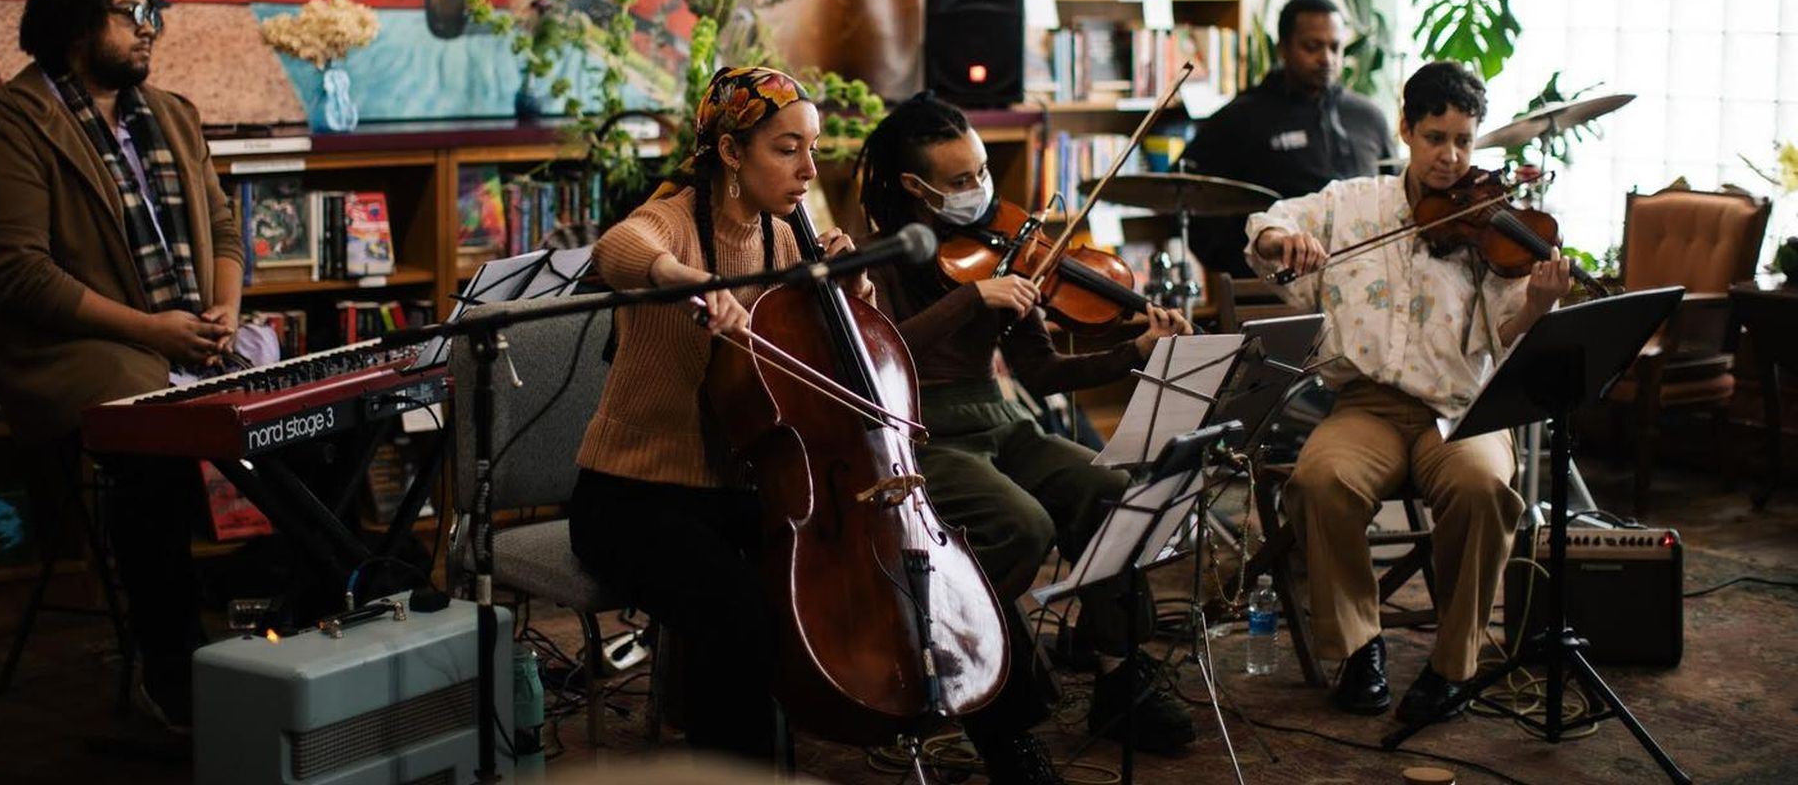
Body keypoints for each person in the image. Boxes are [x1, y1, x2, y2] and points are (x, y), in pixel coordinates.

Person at [853, 93, 1197, 784]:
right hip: (921, 436)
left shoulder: (998, 251)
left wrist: (1136, 349)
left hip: (1000, 422)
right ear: (913, 188)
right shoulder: (874, 261)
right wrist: (969, 301)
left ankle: (1117, 675)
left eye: (981, 171)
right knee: (1020, 524)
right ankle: (977, 685)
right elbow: (873, 357)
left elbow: (1041, 370)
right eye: (958, 181)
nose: (979, 191)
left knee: (1107, 490)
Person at [0, 0, 256, 731]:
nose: (148, 27)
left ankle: (298, 629)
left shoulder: (173, 114)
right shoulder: (11, 127)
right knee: (147, 428)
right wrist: (155, 331)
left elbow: (223, 228)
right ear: (75, 27)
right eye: (130, 14)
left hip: (184, 335)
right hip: (72, 348)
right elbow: (19, 276)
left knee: (315, 418)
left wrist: (222, 311)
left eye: (152, 12)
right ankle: (173, 669)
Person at [1245, 61, 1568, 723]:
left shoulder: (1491, 221)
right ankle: (1360, 647)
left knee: (1484, 490)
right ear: (1405, 131)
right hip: (1368, 405)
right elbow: (1267, 225)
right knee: (1320, 480)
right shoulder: (1350, 203)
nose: (1451, 158)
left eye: (1464, 140)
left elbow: (1506, 329)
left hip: (1463, 409)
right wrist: (1285, 242)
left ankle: (1454, 667)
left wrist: (1537, 305)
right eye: (1435, 138)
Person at [566, 66, 871, 763]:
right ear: (731, 152)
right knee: (734, 612)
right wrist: (690, 283)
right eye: (786, 149)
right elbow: (618, 248)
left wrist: (851, 296)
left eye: (813, 149)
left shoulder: (786, 237)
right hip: (631, 496)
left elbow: (829, 368)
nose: (807, 171)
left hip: (741, 487)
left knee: (815, 584)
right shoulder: (672, 220)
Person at [1183, 0, 1395, 277]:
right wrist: (1249, 262)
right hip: (1273, 283)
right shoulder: (1239, 118)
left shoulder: (1369, 116)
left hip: (1363, 281)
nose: (1327, 58)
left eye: (1335, 47)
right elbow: (1188, 198)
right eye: (1312, 47)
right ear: (1283, 48)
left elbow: (1393, 197)